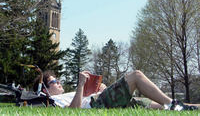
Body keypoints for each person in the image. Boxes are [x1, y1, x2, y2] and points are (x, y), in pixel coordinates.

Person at [33, 70, 199, 110]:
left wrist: (97, 88)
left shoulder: (63, 94)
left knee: (153, 104)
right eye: (54, 82)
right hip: (97, 105)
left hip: (101, 99)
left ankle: (188, 107)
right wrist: (81, 85)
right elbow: (74, 110)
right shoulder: (53, 101)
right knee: (136, 76)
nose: (59, 83)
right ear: (46, 90)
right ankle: (174, 105)